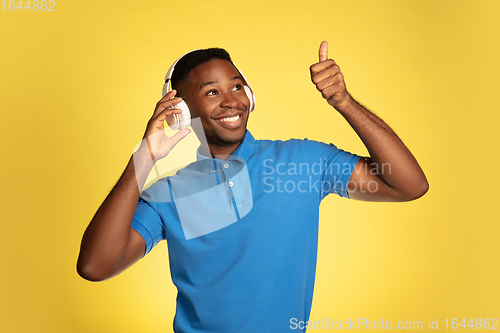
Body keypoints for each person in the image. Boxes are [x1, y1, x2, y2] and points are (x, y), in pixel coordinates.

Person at [77, 42, 428, 332]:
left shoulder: (303, 161)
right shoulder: (166, 195)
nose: (231, 100)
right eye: (212, 91)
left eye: (236, 86)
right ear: (179, 111)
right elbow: (95, 266)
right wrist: (144, 159)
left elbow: (408, 185)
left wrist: (344, 102)